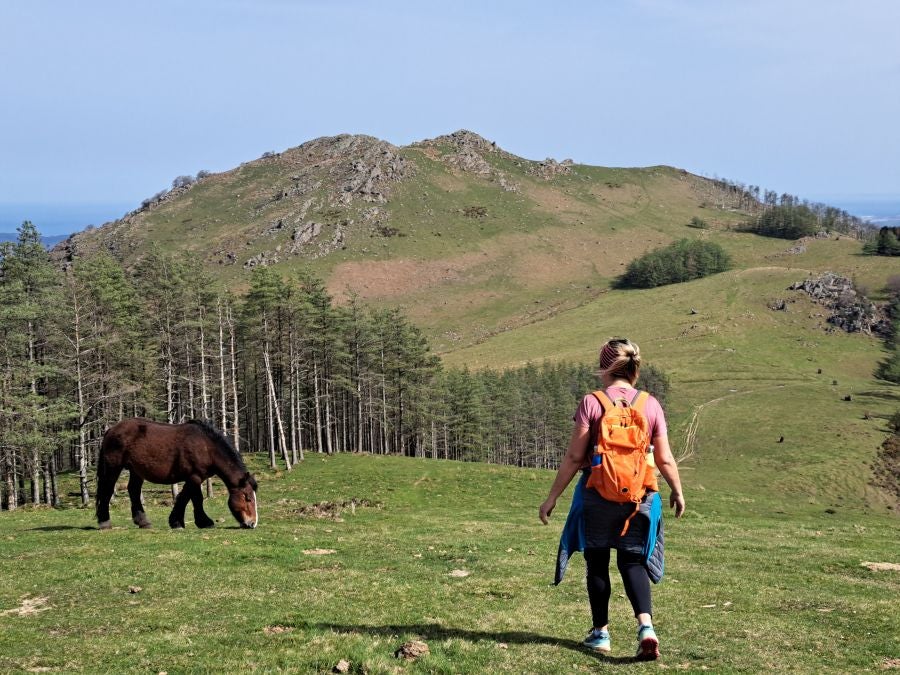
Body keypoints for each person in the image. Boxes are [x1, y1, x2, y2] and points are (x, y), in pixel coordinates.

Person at [539, 338, 685, 660]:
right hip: (639, 497)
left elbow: (575, 456)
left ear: (605, 368)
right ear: (634, 369)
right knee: (632, 561)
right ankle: (646, 628)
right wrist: (677, 490)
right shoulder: (650, 404)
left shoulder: (592, 403)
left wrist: (551, 498)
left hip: (596, 495)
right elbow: (665, 458)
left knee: (597, 561)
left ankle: (601, 634)